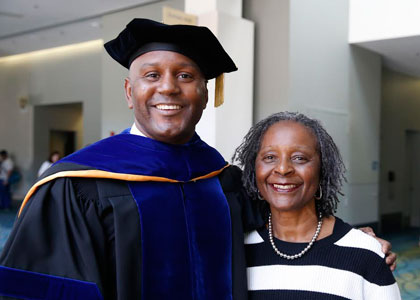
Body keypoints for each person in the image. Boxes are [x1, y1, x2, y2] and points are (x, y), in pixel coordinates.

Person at [0, 20, 395, 300]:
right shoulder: (76, 185)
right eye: (151, 75)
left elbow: (286, 224)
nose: (168, 87)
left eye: (186, 75)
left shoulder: (224, 181)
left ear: (206, 93)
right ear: (129, 90)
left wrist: (356, 242)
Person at [233, 112, 401, 299]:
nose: (282, 169)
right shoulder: (238, 250)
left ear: (322, 169)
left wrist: (367, 247)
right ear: (254, 168)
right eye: (270, 157)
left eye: (299, 158)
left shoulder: (365, 253)